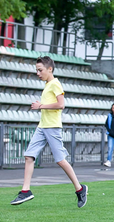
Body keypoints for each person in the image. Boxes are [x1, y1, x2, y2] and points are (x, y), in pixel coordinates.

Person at [11, 56, 88, 207]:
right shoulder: (47, 85)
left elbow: (61, 105)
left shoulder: (55, 84)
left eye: (40, 70)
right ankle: (25, 191)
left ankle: (80, 189)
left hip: (52, 127)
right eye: (36, 70)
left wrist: (40, 106)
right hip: (42, 126)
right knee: (29, 156)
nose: (38, 73)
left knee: (60, 160)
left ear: (50, 69)